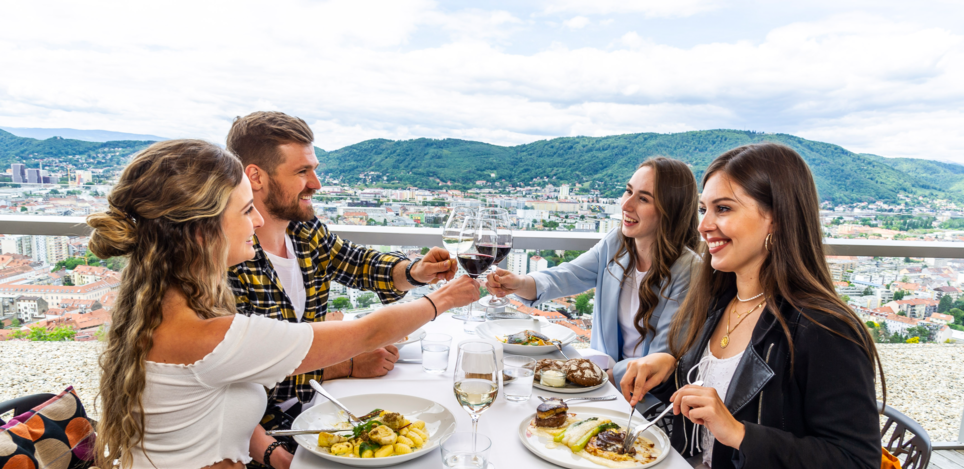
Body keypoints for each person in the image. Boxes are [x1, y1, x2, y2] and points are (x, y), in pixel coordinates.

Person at [90, 140, 480, 469]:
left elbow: (220, 407)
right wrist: (444, 298)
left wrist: (273, 455)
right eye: (245, 210)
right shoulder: (208, 332)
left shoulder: (167, 304)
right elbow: (368, 332)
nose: (256, 220)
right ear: (199, 231)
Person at [619, 143, 885, 469]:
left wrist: (741, 434)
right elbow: (706, 398)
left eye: (724, 209)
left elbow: (858, 461)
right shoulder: (718, 300)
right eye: (704, 209)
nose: (703, 225)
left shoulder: (824, 329)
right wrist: (667, 368)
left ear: (775, 219)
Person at [224, 112, 460, 468]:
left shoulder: (303, 229)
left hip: (320, 418)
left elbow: (354, 262)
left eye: (314, 169)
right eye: (302, 172)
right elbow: (233, 377)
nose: (316, 183)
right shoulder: (227, 258)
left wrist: (415, 271)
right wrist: (341, 365)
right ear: (255, 176)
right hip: (268, 441)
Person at [487, 157, 700, 386]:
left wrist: (577, 377)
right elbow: (567, 275)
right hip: (600, 381)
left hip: (643, 396)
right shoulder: (616, 243)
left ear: (671, 210)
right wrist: (519, 283)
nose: (626, 205)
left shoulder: (688, 270)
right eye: (628, 191)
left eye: (644, 199)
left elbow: (662, 360)